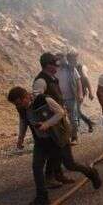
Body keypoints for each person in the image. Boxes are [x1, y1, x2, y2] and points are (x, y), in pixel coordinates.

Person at [7, 86, 101, 205]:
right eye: (16, 104)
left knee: (70, 165)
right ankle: (42, 197)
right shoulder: (21, 108)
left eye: (19, 103)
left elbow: (61, 112)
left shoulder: (43, 99)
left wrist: (47, 124)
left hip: (57, 137)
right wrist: (20, 138)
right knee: (36, 167)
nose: (18, 106)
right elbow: (24, 122)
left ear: (25, 96)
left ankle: (92, 173)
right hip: (41, 141)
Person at [27, 52, 71, 186]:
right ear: (47, 65)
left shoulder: (52, 78)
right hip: (50, 122)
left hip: (57, 119)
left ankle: (58, 174)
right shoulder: (41, 81)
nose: (57, 65)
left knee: (59, 147)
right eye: (54, 63)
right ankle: (50, 177)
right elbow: (37, 100)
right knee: (54, 150)